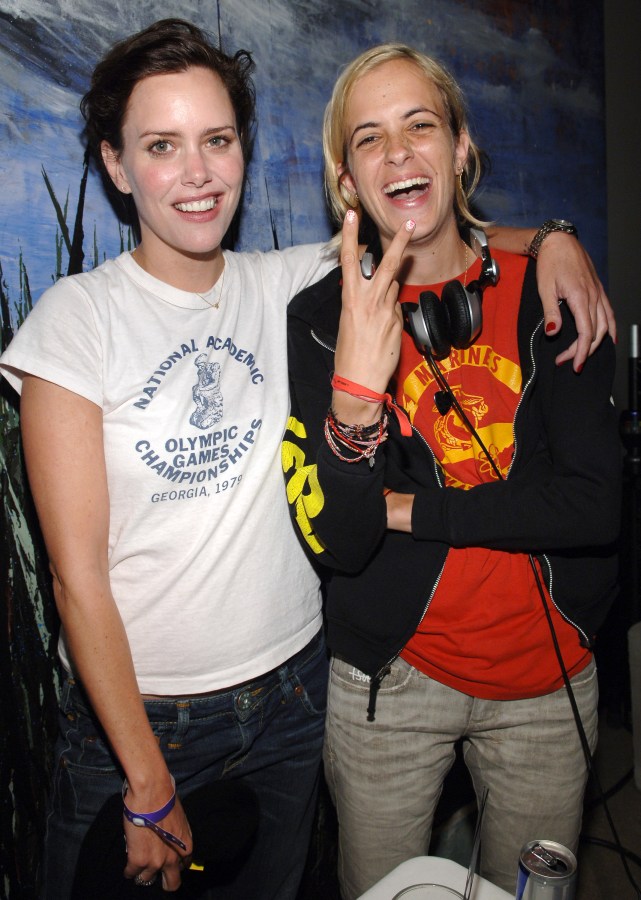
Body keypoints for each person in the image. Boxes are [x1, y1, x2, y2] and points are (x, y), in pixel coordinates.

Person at [0, 17, 614, 900]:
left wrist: (553, 237)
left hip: (292, 698)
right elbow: (75, 582)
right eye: (162, 146)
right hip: (147, 720)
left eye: (216, 140)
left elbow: (423, 224)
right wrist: (144, 777)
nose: (199, 171)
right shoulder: (75, 318)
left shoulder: (282, 281)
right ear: (116, 164)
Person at [283, 43, 621, 898]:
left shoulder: (551, 292)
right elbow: (345, 539)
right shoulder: (321, 319)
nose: (397, 153)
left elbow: (589, 508)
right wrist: (355, 401)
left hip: (548, 683)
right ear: (345, 177)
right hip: (391, 682)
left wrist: (416, 510)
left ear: (460, 146)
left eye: (419, 125)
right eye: (369, 138)